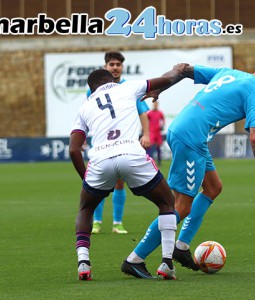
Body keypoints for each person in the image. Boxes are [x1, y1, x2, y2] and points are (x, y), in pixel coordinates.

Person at [121, 56, 255, 275]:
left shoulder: (230, 73)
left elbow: (181, 68)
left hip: (187, 133)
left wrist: (161, 87)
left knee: (213, 187)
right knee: (181, 206)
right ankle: (135, 258)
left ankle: (181, 247)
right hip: (191, 137)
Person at [70, 65, 189, 280]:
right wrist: (178, 70)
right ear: (111, 80)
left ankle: (83, 263)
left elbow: (73, 149)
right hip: (131, 154)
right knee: (166, 203)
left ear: (92, 88)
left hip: (100, 160)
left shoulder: (85, 107)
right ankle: (166, 263)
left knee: (85, 208)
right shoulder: (127, 88)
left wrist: (86, 178)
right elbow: (165, 79)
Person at [87, 51, 151, 235]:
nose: (115, 67)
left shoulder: (129, 88)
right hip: (101, 143)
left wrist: (146, 134)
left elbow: (142, 112)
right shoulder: (93, 89)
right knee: (98, 182)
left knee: (119, 183)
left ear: (122, 67)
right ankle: (97, 222)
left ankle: (117, 223)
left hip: (123, 142)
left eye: (118, 64)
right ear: (106, 67)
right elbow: (88, 113)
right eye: (111, 64)